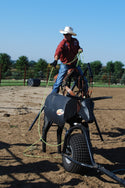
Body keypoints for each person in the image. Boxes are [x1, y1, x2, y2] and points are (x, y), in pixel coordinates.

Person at [51, 26, 88, 93]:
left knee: (83, 79)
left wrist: (80, 49)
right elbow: (58, 52)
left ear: (70, 35)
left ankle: (85, 93)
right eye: (64, 34)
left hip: (75, 64)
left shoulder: (75, 41)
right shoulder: (62, 43)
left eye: (66, 34)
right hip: (65, 64)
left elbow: (78, 48)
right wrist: (55, 60)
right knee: (59, 80)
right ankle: (53, 94)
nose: (65, 36)